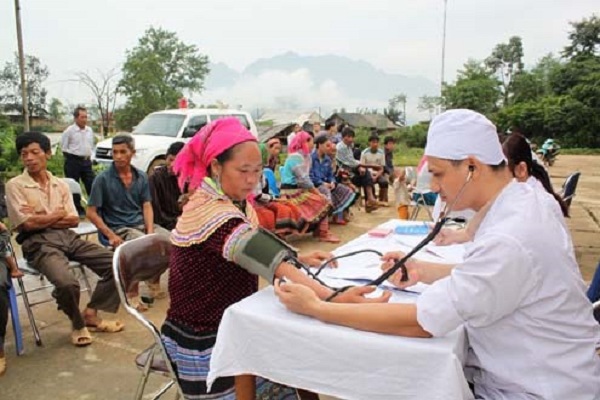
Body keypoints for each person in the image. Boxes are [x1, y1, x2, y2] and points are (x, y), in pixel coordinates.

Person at [275, 109, 600, 400]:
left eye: (439, 173)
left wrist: (317, 308)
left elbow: (421, 323)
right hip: (554, 372)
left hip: (535, 389)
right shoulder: (527, 196)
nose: (433, 185)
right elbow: (499, 278)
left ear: (472, 167)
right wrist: (422, 271)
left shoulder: (509, 236)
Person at [160, 117, 389, 399]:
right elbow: (269, 260)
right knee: (295, 348)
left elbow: (259, 243)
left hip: (233, 317)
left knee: (295, 350)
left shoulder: (231, 201)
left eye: (257, 170)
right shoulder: (213, 213)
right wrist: (333, 297)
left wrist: (299, 258)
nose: (252, 179)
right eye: (243, 170)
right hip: (204, 336)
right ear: (216, 167)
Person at [6, 132, 124, 347]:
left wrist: (40, 216)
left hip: (68, 237)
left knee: (119, 264)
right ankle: (78, 323)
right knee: (67, 283)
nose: (29, 158)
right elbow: (26, 225)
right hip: (37, 243)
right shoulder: (15, 185)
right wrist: (56, 214)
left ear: (47, 153)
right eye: (24, 154)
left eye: (34, 152)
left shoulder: (60, 184)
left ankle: (91, 312)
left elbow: (73, 220)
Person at [87, 134, 170, 309]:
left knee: (173, 243)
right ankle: (132, 293)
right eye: (115, 152)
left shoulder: (141, 177)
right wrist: (110, 235)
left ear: (132, 153)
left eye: (123, 152)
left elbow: (147, 205)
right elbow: (91, 212)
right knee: (141, 248)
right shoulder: (102, 179)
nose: (118, 156)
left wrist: (150, 231)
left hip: (140, 224)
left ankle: (153, 278)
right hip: (117, 228)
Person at [280, 131, 339, 243]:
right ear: (304, 142)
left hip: (299, 189)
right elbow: (304, 180)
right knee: (323, 201)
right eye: (311, 141)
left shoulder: (306, 156)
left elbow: (305, 180)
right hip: (290, 191)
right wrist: (317, 192)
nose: (313, 144)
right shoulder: (295, 157)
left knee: (322, 200)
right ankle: (323, 233)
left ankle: (320, 231)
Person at [310, 135, 356, 225]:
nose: (329, 148)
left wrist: (332, 182)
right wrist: (322, 183)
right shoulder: (311, 158)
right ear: (319, 145)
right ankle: (323, 224)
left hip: (327, 184)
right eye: (327, 145)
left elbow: (330, 175)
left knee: (346, 190)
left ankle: (338, 217)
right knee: (326, 192)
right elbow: (310, 176)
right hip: (315, 185)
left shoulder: (327, 159)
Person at [61, 106, 95, 217]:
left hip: (86, 162)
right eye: (82, 117)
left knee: (92, 184)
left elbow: (91, 145)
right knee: (74, 185)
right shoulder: (69, 131)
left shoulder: (89, 130)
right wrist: (72, 158)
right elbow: (64, 147)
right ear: (76, 118)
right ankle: (77, 209)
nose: (84, 119)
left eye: (86, 117)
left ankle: (95, 207)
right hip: (73, 161)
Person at [335, 127, 379, 212]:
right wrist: (368, 165)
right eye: (349, 137)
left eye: (352, 137)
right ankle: (370, 200)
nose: (351, 139)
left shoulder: (348, 146)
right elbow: (351, 162)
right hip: (343, 174)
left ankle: (370, 200)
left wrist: (360, 167)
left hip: (350, 170)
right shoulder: (341, 147)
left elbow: (352, 162)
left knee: (366, 174)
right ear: (343, 137)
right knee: (365, 175)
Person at [149, 142, 186, 231]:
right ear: (166, 158)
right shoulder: (156, 178)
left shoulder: (189, 178)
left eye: (177, 161)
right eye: (170, 160)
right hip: (164, 224)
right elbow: (156, 212)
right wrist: (174, 221)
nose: (173, 165)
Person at [360, 135, 389, 206]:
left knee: (384, 182)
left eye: (377, 142)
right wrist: (370, 175)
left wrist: (376, 176)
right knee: (368, 182)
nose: (375, 144)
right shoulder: (364, 153)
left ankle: (382, 200)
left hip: (378, 173)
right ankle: (370, 201)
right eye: (373, 142)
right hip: (368, 174)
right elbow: (362, 166)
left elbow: (382, 168)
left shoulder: (381, 153)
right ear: (369, 143)